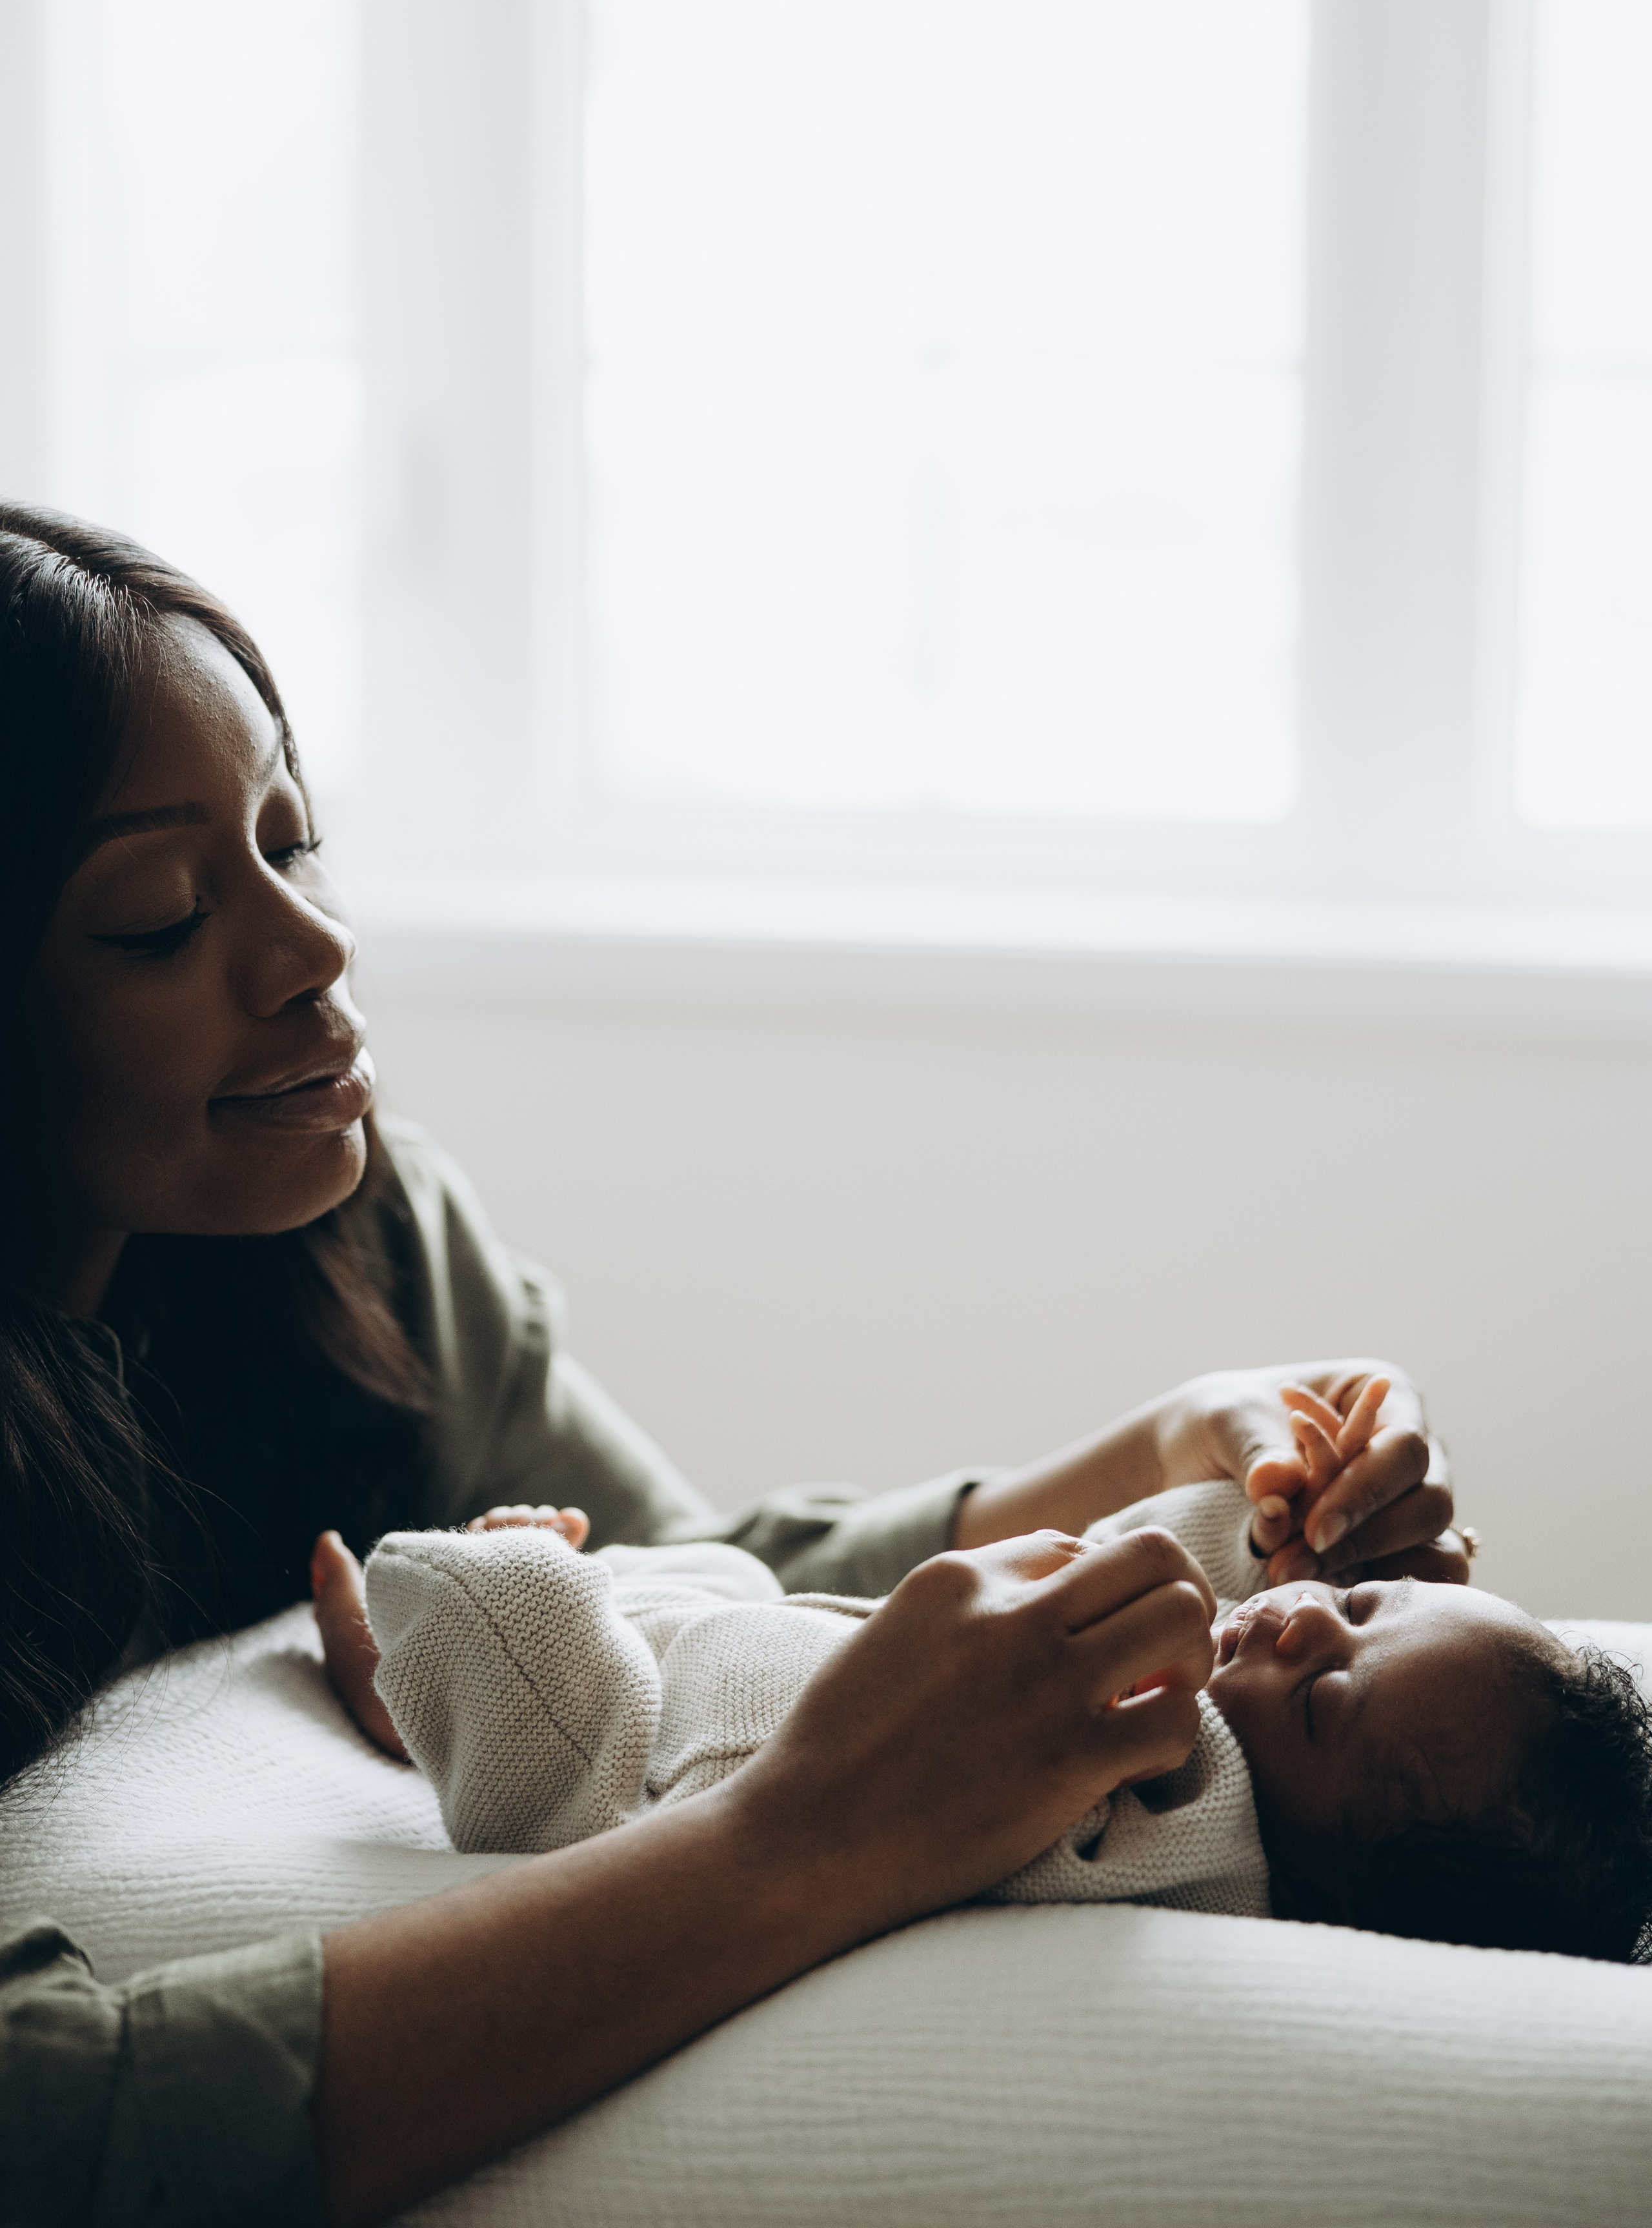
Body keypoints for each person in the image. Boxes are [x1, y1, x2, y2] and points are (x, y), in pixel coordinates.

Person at [0, 502, 1463, 2226]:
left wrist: (1174, 1457)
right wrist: (807, 1842)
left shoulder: (348, 1235)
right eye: (163, 917)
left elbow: (693, 1596)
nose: (315, 951)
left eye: (292, 839)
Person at [352, 1374, 1652, 1965]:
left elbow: (1146, 1570)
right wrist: (1290, 1499)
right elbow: (1189, 1557)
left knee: (516, 1622)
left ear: (1324, 1894)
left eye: (1322, 1700)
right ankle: (407, 1673)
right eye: (1361, 1601)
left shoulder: (1188, 1838)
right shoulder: (1232, 1701)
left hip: (641, 1781)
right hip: (755, 1638)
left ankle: (415, 1646)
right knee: (709, 1583)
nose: (1303, 1622)